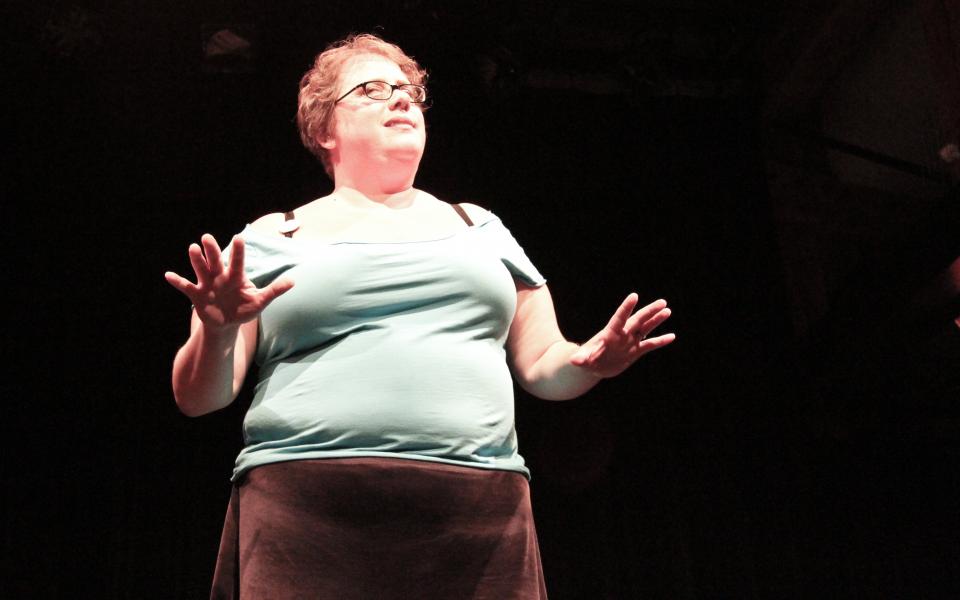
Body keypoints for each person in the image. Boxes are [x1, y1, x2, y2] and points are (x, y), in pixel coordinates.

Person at [165, 33, 675, 599]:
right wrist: (218, 329)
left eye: (410, 90)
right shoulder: (270, 237)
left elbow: (544, 368)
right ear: (324, 129)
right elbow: (199, 397)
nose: (403, 98)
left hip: (475, 510)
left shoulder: (477, 226)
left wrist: (590, 362)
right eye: (373, 89)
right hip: (309, 507)